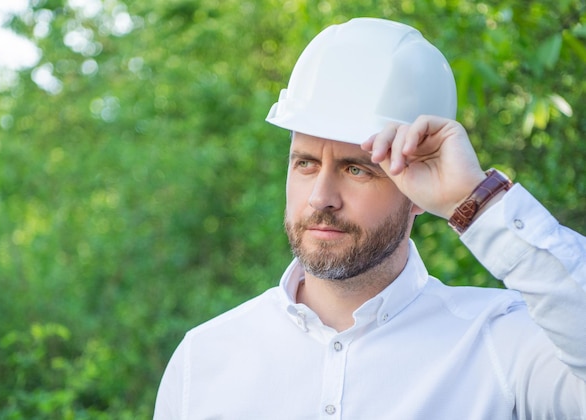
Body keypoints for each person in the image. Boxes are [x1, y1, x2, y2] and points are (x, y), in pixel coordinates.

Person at [154, 17, 586, 419]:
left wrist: (474, 200)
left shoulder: (502, 343)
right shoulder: (204, 358)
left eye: (356, 169)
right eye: (305, 164)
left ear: (417, 190)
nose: (321, 198)